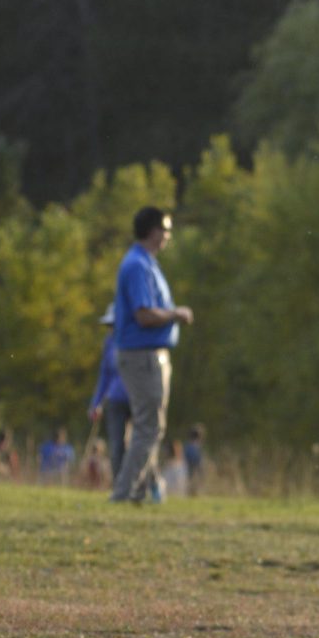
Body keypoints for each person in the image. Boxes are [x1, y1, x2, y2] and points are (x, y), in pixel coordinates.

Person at [109, 206, 194, 504]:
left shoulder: (146, 263)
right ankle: (123, 494)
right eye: (166, 229)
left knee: (151, 427)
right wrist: (176, 313)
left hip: (149, 356)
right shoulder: (137, 266)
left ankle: (139, 493)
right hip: (142, 356)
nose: (168, 235)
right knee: (148, 427)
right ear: (153, 231)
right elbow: (143, 314)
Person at [88, 303, 132, 482]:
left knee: (137, 444)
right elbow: (104, 374)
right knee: (116, 445)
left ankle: (138, 483)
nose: (111, 328)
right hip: (115, 399)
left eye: (114, 324)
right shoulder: (109, 342)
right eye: (109, 325)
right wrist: (96, 403)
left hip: (136, 398)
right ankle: (119, 486)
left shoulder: (134, 340)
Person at [183, 424, 206, 496]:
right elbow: (199, 463)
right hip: (192, 471)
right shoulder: (197, 448)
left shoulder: (186, 446)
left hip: (185, 471)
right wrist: (201, 474)